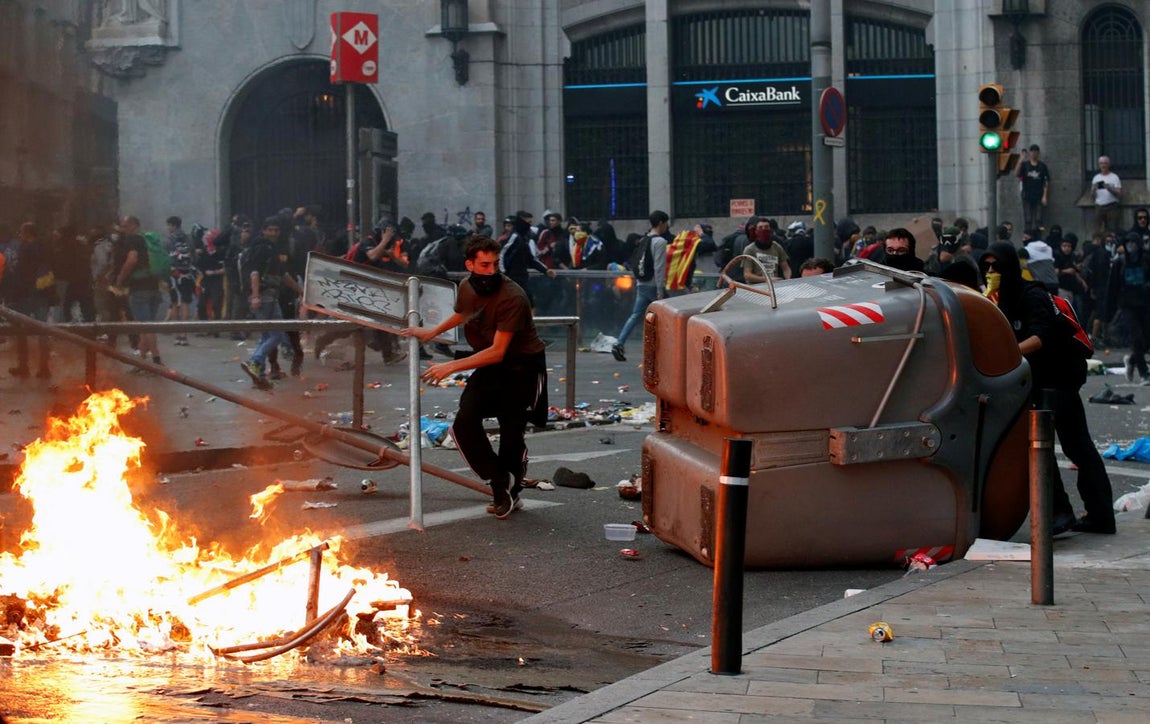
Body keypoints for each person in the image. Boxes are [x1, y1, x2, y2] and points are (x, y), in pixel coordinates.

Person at [400, 235, 548, 519]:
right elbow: (463, 313)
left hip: (522, 367)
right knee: (464, 423)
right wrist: (430, 332)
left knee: (511, 432)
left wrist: (449, 368)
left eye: (495, 264)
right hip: (491, 365)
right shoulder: (467, 286)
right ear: (470, 264)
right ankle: (499, 479)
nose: (491, 270)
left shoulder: (512, 297)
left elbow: (498, 351)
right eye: (484, 264)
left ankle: (509, 493)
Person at [980, 242, 1115, 535]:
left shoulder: (1032, 296)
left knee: (1069, 446)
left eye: (996, 266)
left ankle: (1091, 514)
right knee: (1047, 447)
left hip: (1059, 379)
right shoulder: (1000, 298)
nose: (991, 272)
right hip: (1039, 381)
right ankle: (1072, 513)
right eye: (987, 267)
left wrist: (1011, 352)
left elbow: (1041, 336)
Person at [240, 217, 299, 389]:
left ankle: (258, 372)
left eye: (276, 230)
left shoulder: (272, 249)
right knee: (277, 334)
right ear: (264, 230)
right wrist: (256, 295)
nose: (273, 233)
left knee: (267, 335)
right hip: (264, 296)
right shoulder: (262, 249)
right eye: (270, 230)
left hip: (269, 296)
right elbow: (254, 273)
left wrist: (300, 290)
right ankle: (256, 361)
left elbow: (284, 276)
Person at [611, 210, 671, 362]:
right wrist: (660, 289)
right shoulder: (660, 242)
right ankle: (667, 350)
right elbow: (659, 267)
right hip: (653, 285)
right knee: (668, 316)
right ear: (661, 223)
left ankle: (619, 343)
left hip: (642, 283)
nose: (667, 226)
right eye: (666, 223)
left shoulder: (644, 239)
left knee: (636, 315)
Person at [112, 215, 163, 367]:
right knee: (146, 326)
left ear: (133, 225)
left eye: (125, 226)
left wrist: (120, 279)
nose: (122, 230)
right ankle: (141, 362)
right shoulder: (150, 240)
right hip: (154, 286)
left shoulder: (133, 240)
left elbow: (132, 259)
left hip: (139, 288)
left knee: (146, 326)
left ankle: (156, 360)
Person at [4, 222, 54, 378]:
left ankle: (23, 366)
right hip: (43, 292)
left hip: (25, 294)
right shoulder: (46, 247)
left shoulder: (24, 249)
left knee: (22, 331)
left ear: (27, 233)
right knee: (43, 331)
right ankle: (44, 368)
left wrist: (12, 295)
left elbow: (19, 273)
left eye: (21, 232)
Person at [741, 217, 790, 281]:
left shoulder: (777, 247)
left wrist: (788, 279)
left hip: (775, 285)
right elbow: (747, 275)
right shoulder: (749, 249)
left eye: (766, 227)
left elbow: (786, 268)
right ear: (756, 231)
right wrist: (768, 280)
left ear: (770, 230)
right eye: (760, 227)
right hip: (756, 287)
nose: (764, 230)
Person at [1016, 144, 1050, 233]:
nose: (1034, 154)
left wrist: (1045, 196)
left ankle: (1038, 236)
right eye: (1032, 152)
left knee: (1039, 219)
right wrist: (1020, 160)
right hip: (1027, 194)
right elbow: (1016, 174)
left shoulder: (1042, 166)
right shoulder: (1025, 165)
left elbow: (1046, 181)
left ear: (1038, 153)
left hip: (1039, 194)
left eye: (1036, 152)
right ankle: (1028, 236)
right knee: (1028, 219)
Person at [1089, 156, 1122, 234]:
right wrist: (1094, 189)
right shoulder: (1096, 178)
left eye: (1105, 163)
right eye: (1101, 163)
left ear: (1108, 165)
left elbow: (1120, 194)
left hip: (1112, 206)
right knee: (1099, 229)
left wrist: (1110, 188)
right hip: (1099, 206)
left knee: (1112, 229)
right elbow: (1092, 196)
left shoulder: (1114, 177)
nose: (1103, 165)